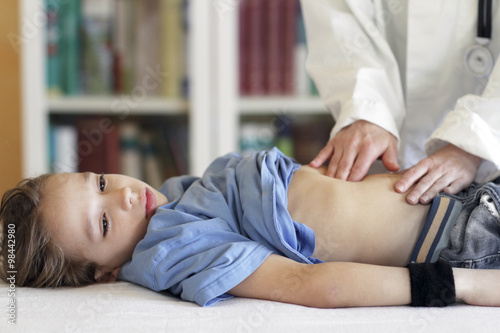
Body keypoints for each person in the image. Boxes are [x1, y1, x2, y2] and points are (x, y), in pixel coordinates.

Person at [1, 148, 500, 308]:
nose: (126, 195)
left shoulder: (175, 197)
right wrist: (466, 286)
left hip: (466, 193)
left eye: (103, 180)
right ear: (102, 275)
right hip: (463, 235)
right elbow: (307, 285)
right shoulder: (172, 248)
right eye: (105, 221)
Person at [301, 0, 500, 205]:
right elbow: (338, 19)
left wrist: (473, 142)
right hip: (378, 162)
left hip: (490, 159)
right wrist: (367, 108)